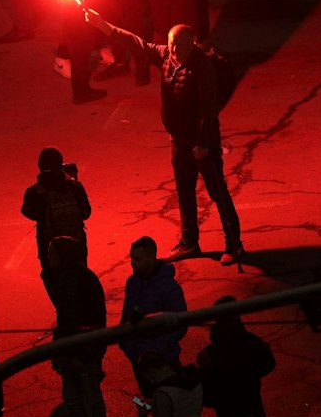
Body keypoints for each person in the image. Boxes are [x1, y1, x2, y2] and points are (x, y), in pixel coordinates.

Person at [84, 16, 243, 264]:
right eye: (171, 45)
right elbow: (135, 42)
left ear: (192, 44)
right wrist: (103, 26)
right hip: (179, 141)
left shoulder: (203, 68)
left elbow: (208, 110)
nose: (174, 51)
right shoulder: (166, 57)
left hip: (202, 144)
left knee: (217, 192)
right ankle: (189, 243)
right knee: (184, 193)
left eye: (180, 46)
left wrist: (202, 143)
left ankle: (234, 245)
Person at [41, 236, 108, 417]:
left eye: (52, 253)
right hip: (70, 353)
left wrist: (86, 354)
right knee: (72, 399)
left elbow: (95, 321)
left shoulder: (83, 281)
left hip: (83, 354)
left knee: (90, 399)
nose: (49, 257)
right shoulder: (63, 279)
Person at [119, 236, 187, 379]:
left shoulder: (169, 287)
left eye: (137, 260)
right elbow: (126, 318)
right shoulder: (133, 283)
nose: (133, 263)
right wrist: (131, 351)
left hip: (163, 362)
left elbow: (179, 326)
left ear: (150, 259)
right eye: (132, 259)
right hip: (139, 360)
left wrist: (155, 353)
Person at [21, 147, 92, 267]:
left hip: (50, 248)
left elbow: (26, 211)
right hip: (77, 244)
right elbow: (86, 213)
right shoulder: (74, 187)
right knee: (79, 278)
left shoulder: (34, 192)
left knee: (53, 279)